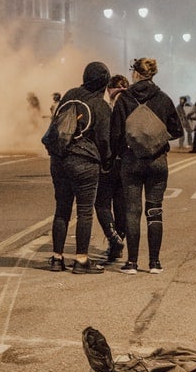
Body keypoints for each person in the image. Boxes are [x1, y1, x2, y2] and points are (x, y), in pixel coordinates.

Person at [110, 57, 183, 274]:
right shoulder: (164, 99)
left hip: (131, 161)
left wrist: (121, 151)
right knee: (155, 210)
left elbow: (115, 134)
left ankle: (131, 263)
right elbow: (178, 131)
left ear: (136, 73)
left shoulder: (124, 100)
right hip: (157, 161)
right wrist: (157, 138)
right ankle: (154, 263)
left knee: (132, 211)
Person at [46, 61, 112, 275]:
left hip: (59, 159)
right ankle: (81, 260)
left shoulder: (70, 94)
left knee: (62, 209)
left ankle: (57, 258)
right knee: (84, 212)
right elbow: (104, 140)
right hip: (84, 161)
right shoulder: (100, 105)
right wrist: (107, 161)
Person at [94, 74, 129, 262]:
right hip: (127, 160)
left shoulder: (104, 104)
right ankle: (118, 243)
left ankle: (113, 237)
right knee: (121, 203)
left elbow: (103, 134)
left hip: (108, 161)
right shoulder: (133, 103)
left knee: (101, 203)